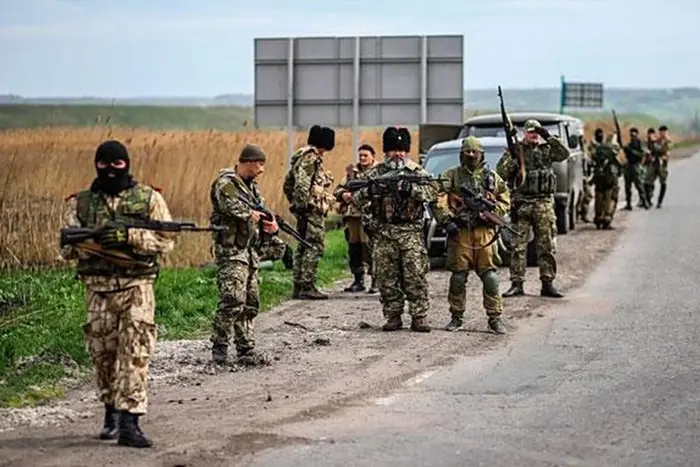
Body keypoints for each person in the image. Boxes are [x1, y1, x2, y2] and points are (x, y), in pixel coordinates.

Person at [59, 140, 175, 448]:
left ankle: (129, 422)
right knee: (103, 355)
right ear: (96, 165)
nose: (111, 170)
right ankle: (110, 410)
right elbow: (67, 249)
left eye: (118, 165)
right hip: (97, 290)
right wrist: (95, 242)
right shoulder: (80, 204)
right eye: (104, 165)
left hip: (137, 288)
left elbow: (167, 241)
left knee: (135, 353)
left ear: (128, 164)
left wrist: (129, 236)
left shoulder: (148, 198)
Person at [351, 127, 438, 332]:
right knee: (386, 277)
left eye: (402, 150)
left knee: (415, 275)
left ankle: (419, 316)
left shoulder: (416, 172)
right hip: (384, 232)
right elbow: (354, 198)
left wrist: (412, 190)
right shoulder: (376, 173)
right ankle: (393, 315)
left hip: (410, 232)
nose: (398, 154)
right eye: (393, 150)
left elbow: (433, 192)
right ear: (386, 151)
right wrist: (370, 191)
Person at [209, 144, 280, 366]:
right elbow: (232, 208)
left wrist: (271, 226)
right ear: (248, 162)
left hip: (250, 252)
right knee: (232, 299)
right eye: (259, 164)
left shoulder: (252, 188)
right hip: (232, 252)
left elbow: (261, 212)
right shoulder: (226, 183)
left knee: (250, 302)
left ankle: (245, 348)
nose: (261, 169)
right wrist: (253, 214)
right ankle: (220, 346)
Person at [433, 136, 510, 334]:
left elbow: (505, 200)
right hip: (461, 233)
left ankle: (495, 317)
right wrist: (447, 220)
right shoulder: (452, 175)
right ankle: (456, 316)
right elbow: (438, 198)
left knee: (490, 277)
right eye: (467, 152)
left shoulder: (492, 177)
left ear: (481, 154)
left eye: (474, 152)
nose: (471, 155)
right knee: (458, 277)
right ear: (461, 154)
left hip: (484, 233)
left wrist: (493, 214)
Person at [496, 119, 569, 298]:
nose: (534, 135)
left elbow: (564, 154)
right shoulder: (516, 150)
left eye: (536, 132)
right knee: (518, 247)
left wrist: (548, 136)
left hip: (543, 203)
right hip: (521, 205)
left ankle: (547, 282)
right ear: (524, 133)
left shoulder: (546, 150)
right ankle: (517, 283)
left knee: (546, 245)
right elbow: (501, 173)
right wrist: (513, 159)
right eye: (531, 132)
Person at [283, 125, 336, 300]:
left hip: (305, 209)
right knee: (313, 245)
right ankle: (307, 285)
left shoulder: (301, 157)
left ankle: (299, 285)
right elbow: (301, 184)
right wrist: (303, 205)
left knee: (303, 245)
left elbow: (288, 184)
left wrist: (295, 203)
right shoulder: (310, 159)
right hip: (310, 210)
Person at [334, 144, 378, 293]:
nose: (363, 158)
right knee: (355, 248)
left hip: (370, 216)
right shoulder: (351, 173)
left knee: (370, 248)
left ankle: (376, 280)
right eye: (360, 155)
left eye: (365, 155)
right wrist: (343, 194)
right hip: (353, 216)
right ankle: (358, 279)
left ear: (373, 156)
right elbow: (337, 190)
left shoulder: (378, 172)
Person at [591, 129, 623, 229]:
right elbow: (621, 163)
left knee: (599, 198)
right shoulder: (613, 149)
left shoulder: (596, 149)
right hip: (610, 178)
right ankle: (607, 219)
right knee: (610, 198)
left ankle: (598, 218)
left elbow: (591, 160)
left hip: (598, 178)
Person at [644, 125, 672, 208]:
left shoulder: (668, 141)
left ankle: (660, 201)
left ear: (666, 132)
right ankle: (648, 200)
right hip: (654, 163)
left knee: (663, 182)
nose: (662, 133)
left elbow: (665, 150)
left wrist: (657, 146)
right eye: (661, 132)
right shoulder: (657, 140)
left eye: (664, 132)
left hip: (662, 165)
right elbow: (651, 148)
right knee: (647, 181)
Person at [622, 127, 650, 210]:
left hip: (636, 165)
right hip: (629, 166)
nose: (632, 136)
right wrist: (626, 150)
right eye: (631, 135)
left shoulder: (640, 144)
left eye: (634, 135)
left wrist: (631, 151)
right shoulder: (630, 144)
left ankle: (645, 202)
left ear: (637, 134)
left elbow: (642, 154)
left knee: (639, 185)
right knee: (627, 186)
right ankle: (628, 204)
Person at [577, 133, 594, 223]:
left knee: (586, 196)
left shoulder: (583, 152)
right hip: (581, 178)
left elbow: (589, 163)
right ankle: (582, 215)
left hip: (583, 177)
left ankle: (583, 214)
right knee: (586, 196)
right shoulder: (579, 153)